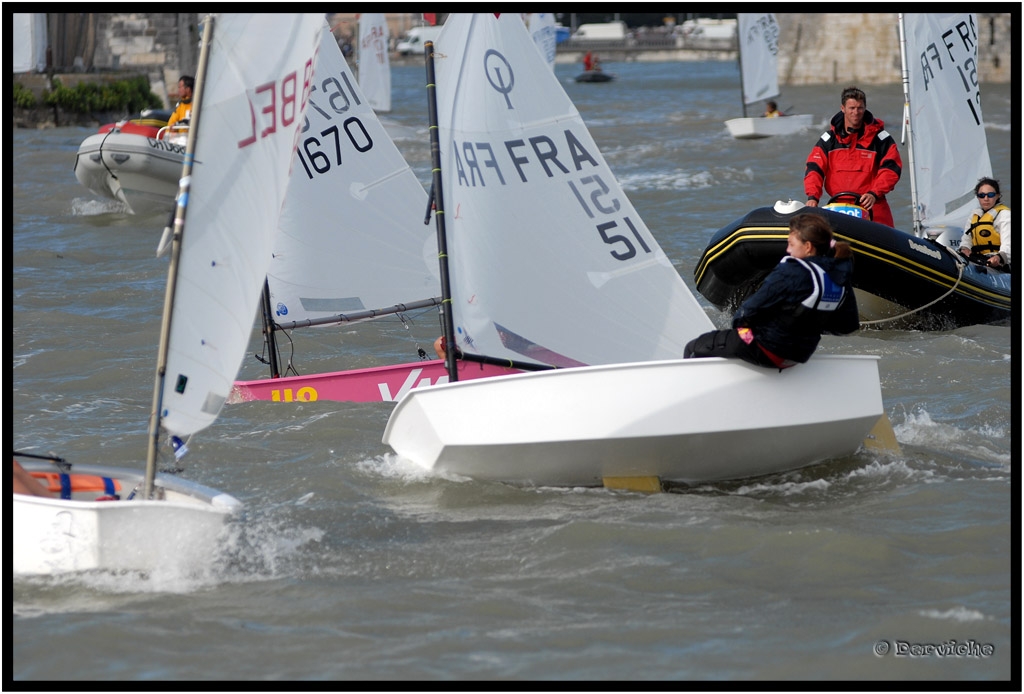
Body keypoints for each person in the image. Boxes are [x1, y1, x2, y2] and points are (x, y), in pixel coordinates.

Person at [684, 213, 859, 370]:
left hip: (767, 350)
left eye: (791, 244)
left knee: (694, 347)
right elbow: (847, 326)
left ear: (807, 247)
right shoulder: (839, 276)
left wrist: (741, 334)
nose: (788, 250)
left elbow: (748, 311)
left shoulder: (793, 271)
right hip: (798, 356)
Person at [804, 86, 903, 227]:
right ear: (842, 108)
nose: (856, 112)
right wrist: (813, 197)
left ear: (865, 108)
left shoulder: (880, 139)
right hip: (837, 207)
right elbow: (814, 169)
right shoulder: (829, 140)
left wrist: (874, 193)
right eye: (851, 108)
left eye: (860, 108)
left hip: (872, 206)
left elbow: (891, 169)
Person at [959, 177, 1011, 270]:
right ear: (978, 197)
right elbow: (966, 238)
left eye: (990, 195)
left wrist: (999, 257)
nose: (986, 198)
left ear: (997, 196)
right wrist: (965, 248)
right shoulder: (974, 215)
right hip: (978, 260)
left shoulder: (1005, 215)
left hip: (1000, 264)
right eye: (982, 195)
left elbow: (1008, 244)